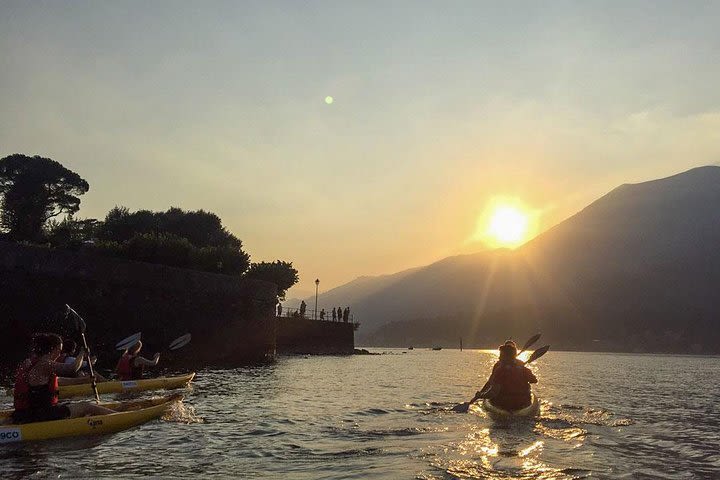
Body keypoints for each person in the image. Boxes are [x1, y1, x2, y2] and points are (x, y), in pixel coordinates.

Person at [12, 333, 115, 424]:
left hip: (24, 413)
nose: (60, 354)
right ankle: (119, 416)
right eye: (59, 350)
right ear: (52, 349)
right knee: (86, 406)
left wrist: (82, 380)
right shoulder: (45, 364)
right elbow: (72, 369)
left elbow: (57, 381)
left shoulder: (29, 363)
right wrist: (82, 353)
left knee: (71, 405)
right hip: (41, 415)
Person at [480, 340, 537, 411]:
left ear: (506, 357)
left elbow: (493, 391)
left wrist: (481, 395)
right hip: (522, 403)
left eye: (501, 356)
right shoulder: (524, 369)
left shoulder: (500, 370)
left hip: (503, 403)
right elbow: (534, 380)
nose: (499, 358)